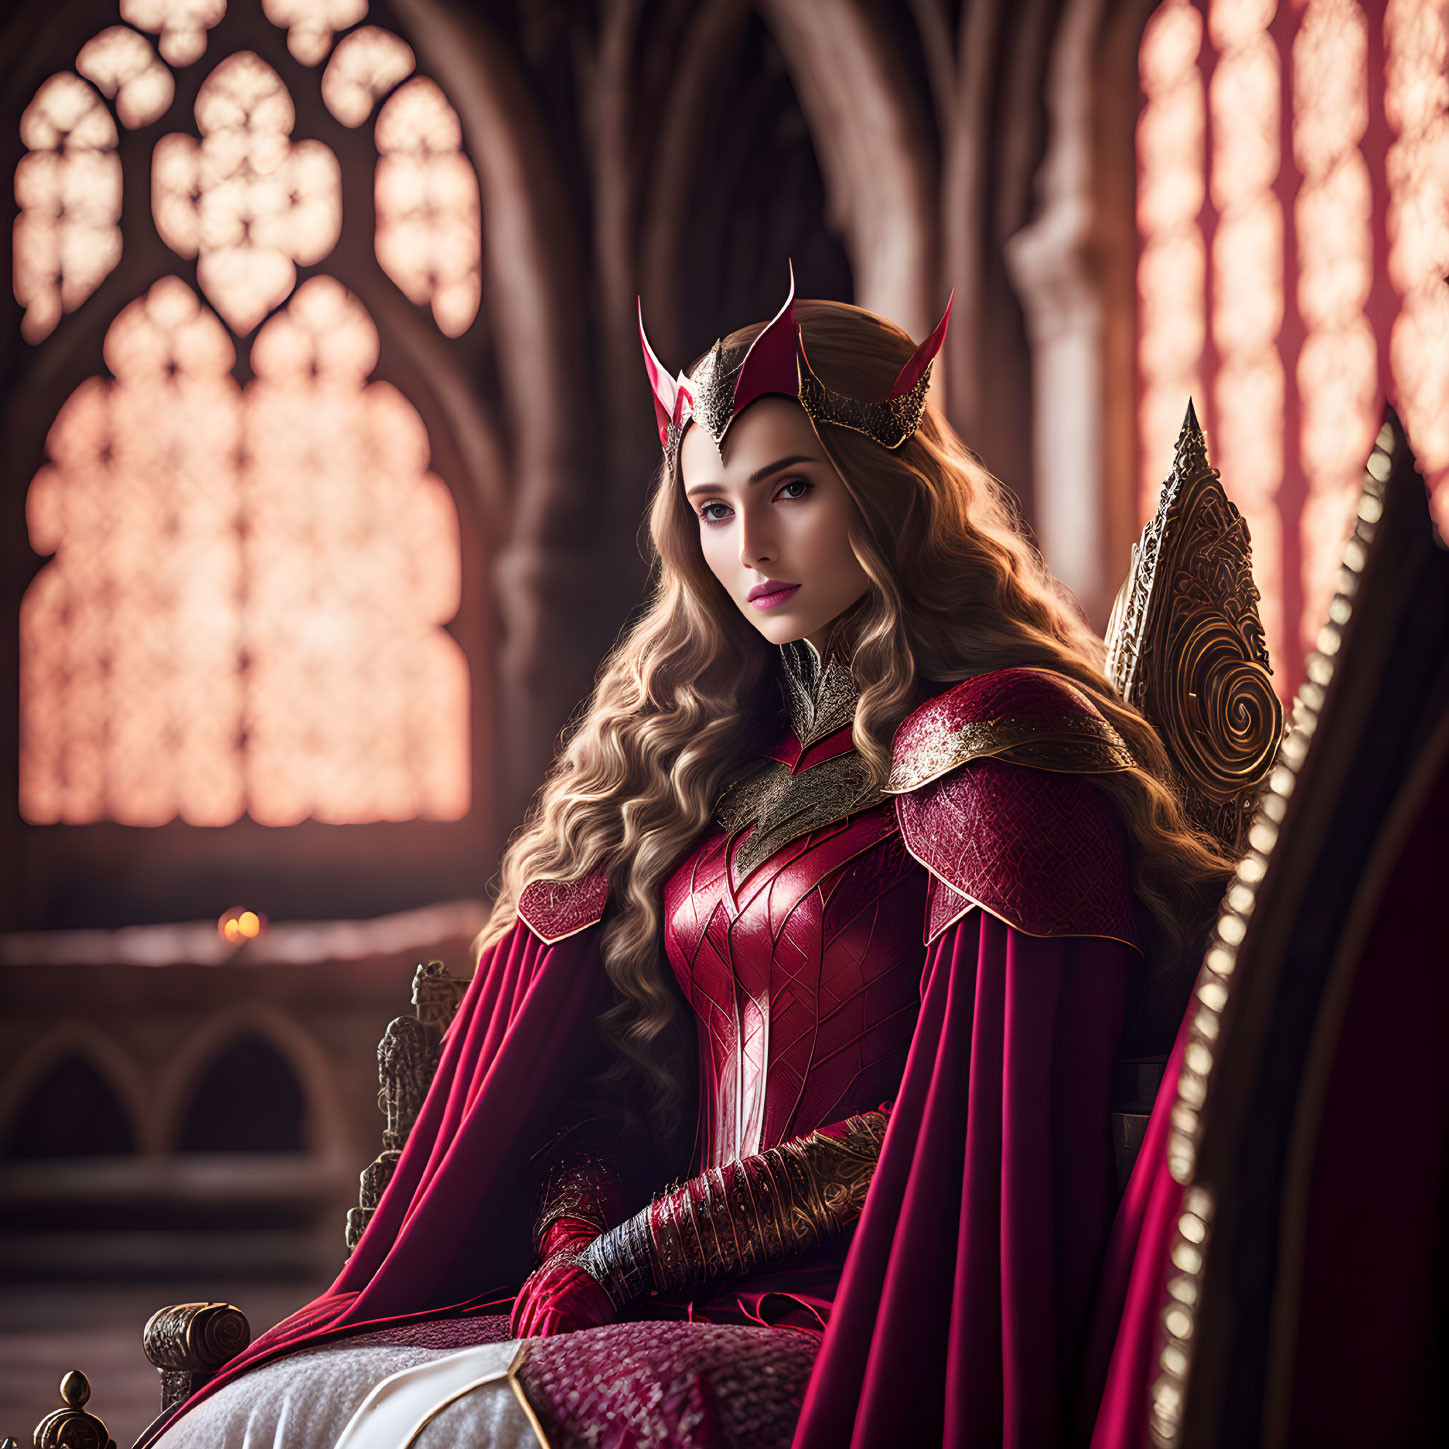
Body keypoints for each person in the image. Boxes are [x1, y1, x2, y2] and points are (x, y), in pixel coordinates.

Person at [147, 269, 1234, 1449]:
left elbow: (967, 1121)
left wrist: (638, 1254)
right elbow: (616, 1087)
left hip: (867, 1309)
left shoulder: (1000, 750)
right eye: (713, 508)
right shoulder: (699, 772)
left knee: (452, 1427)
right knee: (269, 1412)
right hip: (650, 1291)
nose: (750, 544)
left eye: (792, 489)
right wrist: (575, 1240)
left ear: (889, 492)